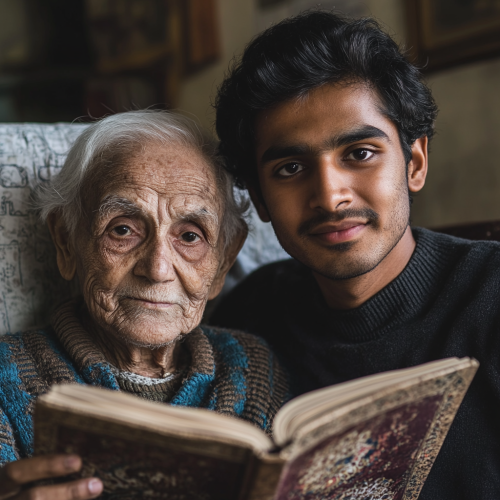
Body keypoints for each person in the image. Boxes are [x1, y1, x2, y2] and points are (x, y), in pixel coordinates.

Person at [212, 11, 500, 500]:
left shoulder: (491, 296)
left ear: (414, 162)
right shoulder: (246, 318)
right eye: (290, 168)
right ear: (259, 199)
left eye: (360, 153)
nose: (329, 196)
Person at [0, 111, 289, 500]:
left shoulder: (252, 367)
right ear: (66, 242)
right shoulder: (5, 377)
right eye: (122, 229)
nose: (157, 269)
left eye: (190, 236)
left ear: (223, 261)